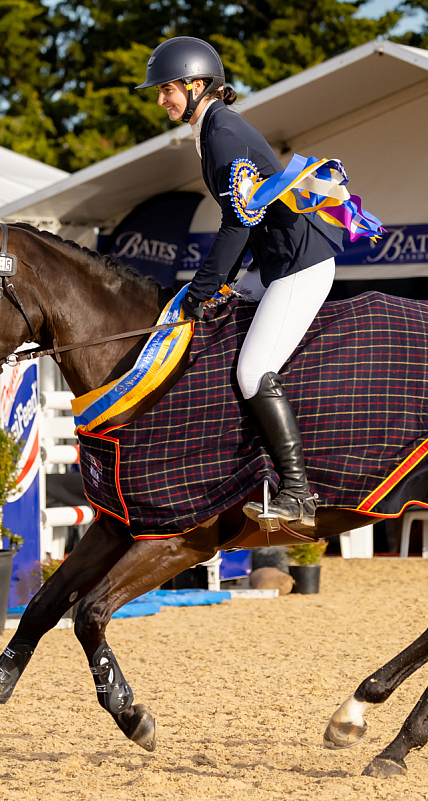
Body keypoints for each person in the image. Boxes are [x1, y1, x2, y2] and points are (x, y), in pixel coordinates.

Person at [139, 37, 348, 532]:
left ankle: (297, 493)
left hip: (298, 265)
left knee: (253, 372)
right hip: (271, 262)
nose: (161, 100)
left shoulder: (224, 135)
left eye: (166, 90)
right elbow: (248, 221)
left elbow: (237, 223)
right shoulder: (211, 129)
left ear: (196, 85)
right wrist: (222, 286)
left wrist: (199, 291)